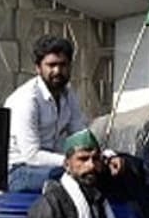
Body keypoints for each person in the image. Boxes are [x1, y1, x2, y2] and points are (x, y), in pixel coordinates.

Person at [6, 35, 89, 193]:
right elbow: (32, 155)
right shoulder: (27, 99)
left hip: (52, 166)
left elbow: (80, 135)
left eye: (63, 65)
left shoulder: (68, 93)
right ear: (38, 68)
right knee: (73, 178)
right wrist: (70, 162)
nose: (57, 71)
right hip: (19, 172)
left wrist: (102, 156)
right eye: (51, 65)